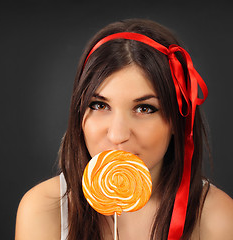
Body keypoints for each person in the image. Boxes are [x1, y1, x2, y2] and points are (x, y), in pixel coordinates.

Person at [15, 19, 233, 240]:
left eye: (144, 108)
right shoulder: (44, 209)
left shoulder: (217, 217)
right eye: (99, 105)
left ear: (177, 121)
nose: (117, 136)